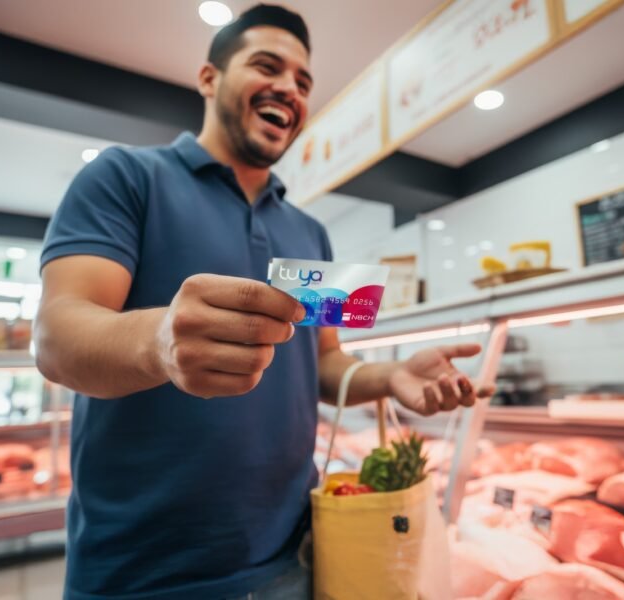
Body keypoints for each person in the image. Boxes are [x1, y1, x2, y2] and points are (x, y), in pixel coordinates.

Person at [35, 5, 493, 599]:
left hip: (293, 557)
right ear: (210, 79)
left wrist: (392, 375)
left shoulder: (310, 232)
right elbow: (57, 337)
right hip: (141, 568)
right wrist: (158, 342)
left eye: (303, 82)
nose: (290, 89)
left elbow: (325, 364)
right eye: (267, 66)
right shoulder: (125, 178)